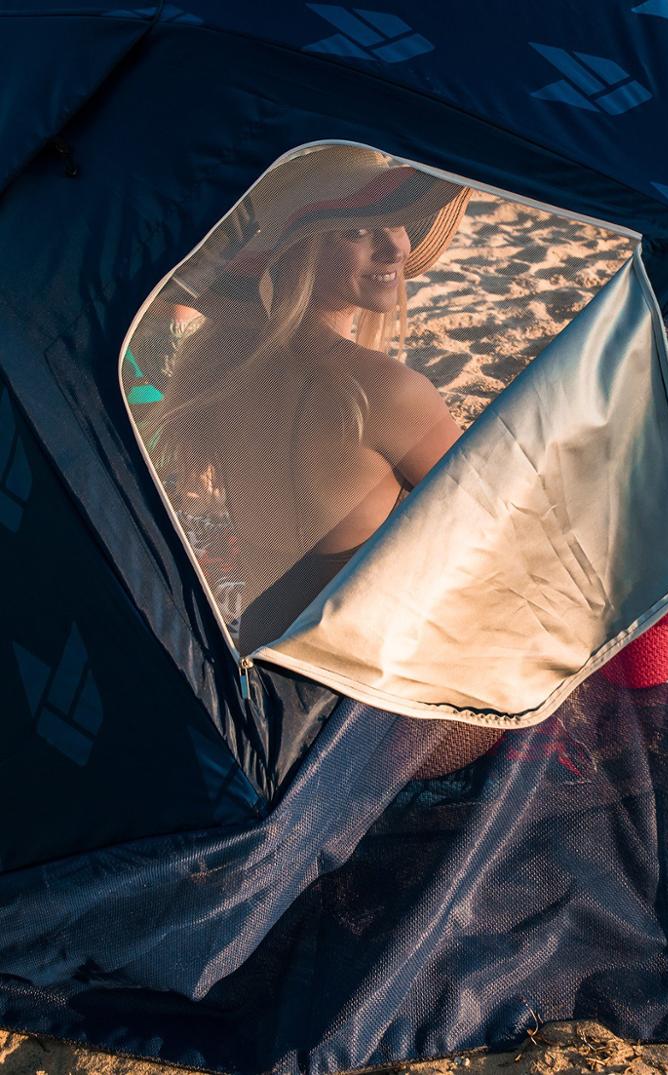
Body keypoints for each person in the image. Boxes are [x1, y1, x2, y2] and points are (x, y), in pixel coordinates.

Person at [142, 144, 502, 776]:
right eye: (355, 232)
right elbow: (498, 534)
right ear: (298, 254)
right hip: (360, 713)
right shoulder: (385, 392)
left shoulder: (221, 365)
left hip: (262, 673)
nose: (393, 246)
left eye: (395, 218)